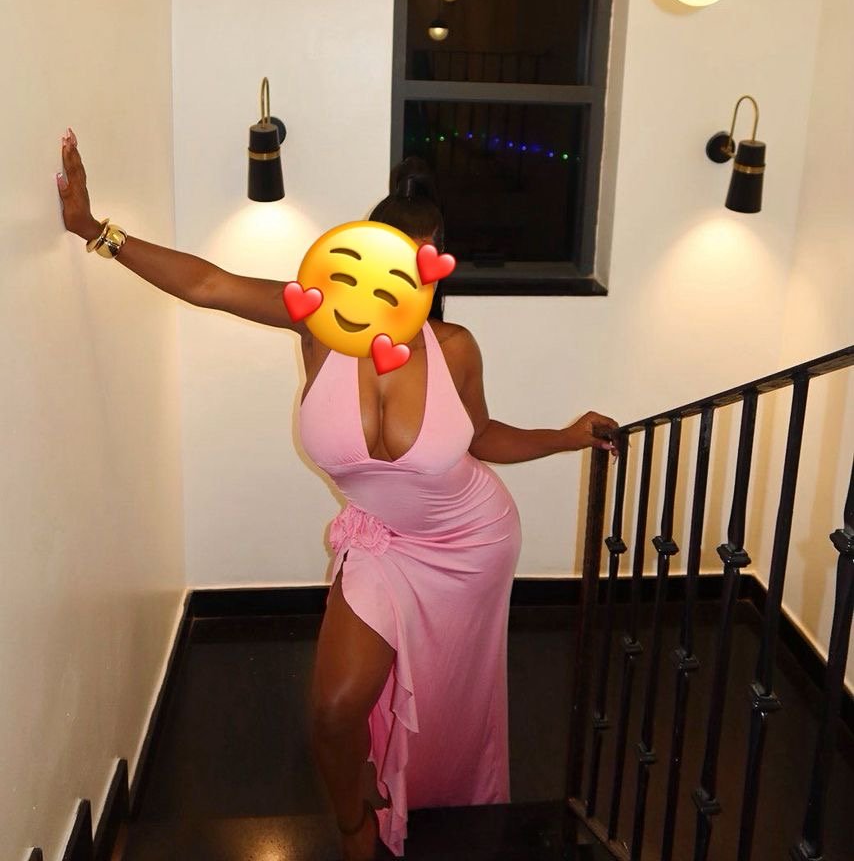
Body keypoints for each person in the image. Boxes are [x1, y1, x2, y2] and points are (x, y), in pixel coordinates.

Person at [56, 128, 619, 861]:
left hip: (472, 542)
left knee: (451, 698)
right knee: (333, 708)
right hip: (383, 545)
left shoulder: (453, 348)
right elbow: (209, 284)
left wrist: (567, 435)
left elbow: (481, 436)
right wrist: (94, 229)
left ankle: (444, 808)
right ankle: (356, 827)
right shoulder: (316, 322)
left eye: (423, 265)